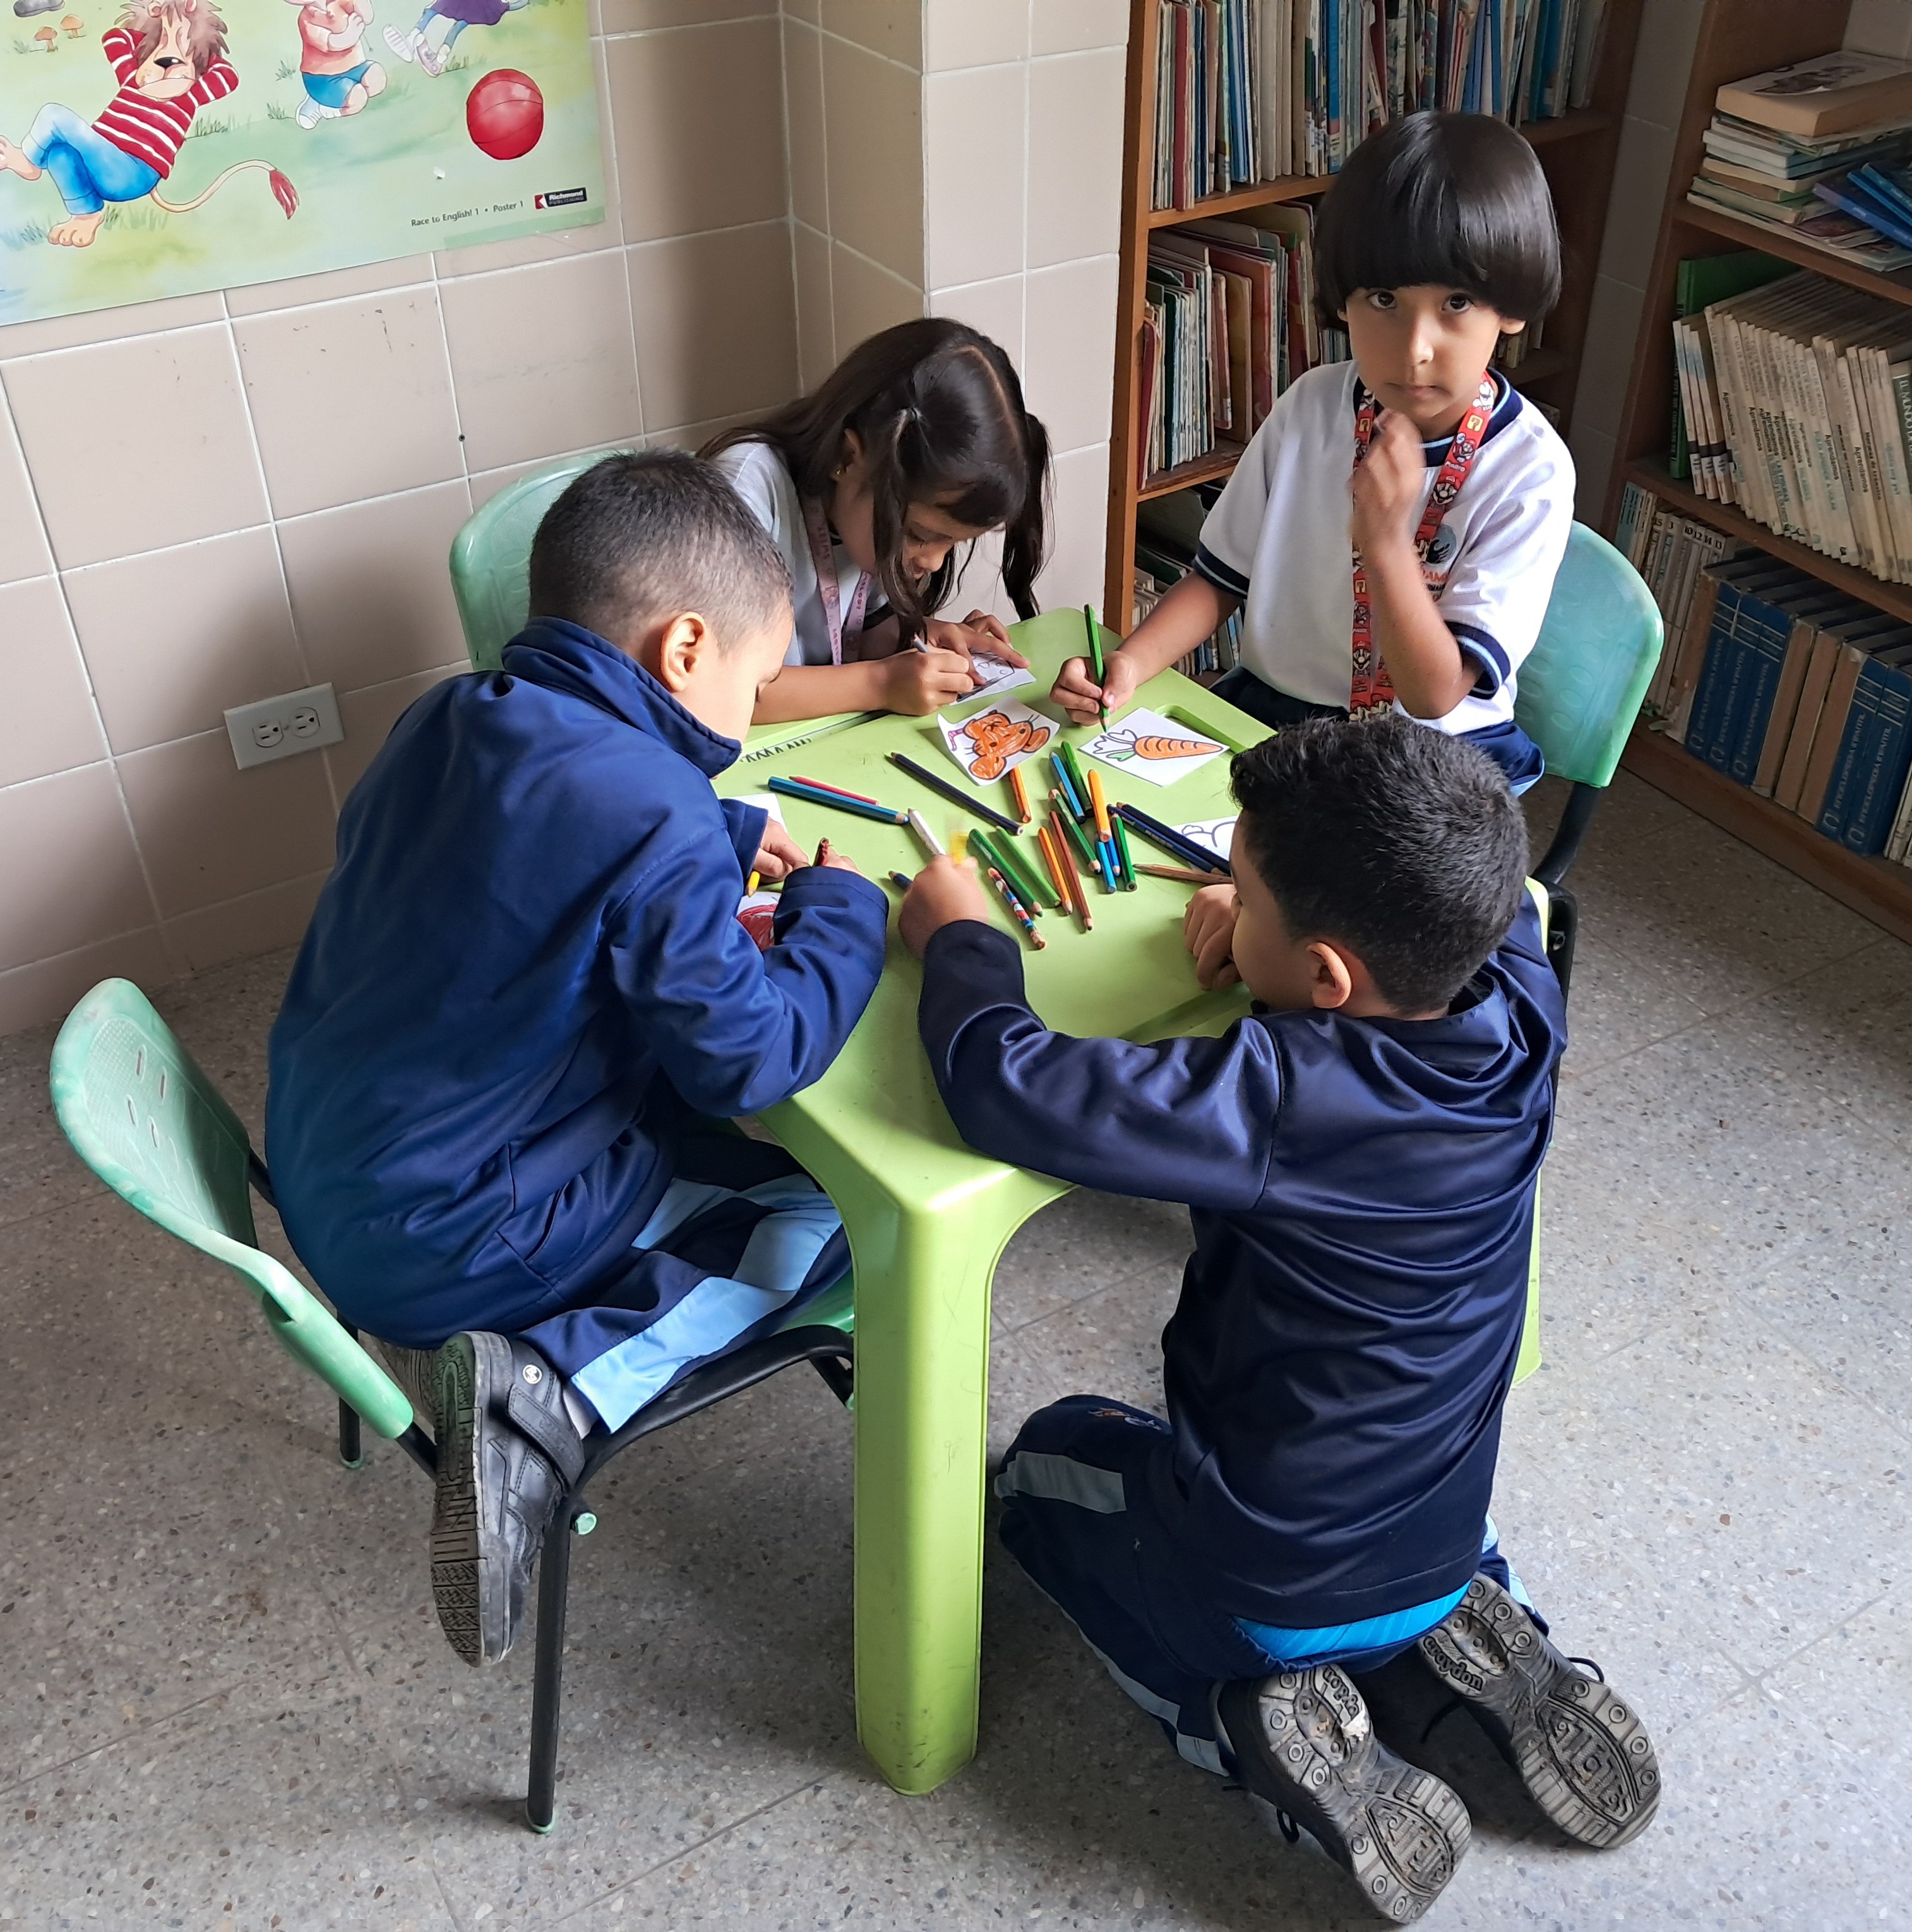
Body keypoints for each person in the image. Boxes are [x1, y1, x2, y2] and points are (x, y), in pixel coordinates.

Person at [897, 715, 1658, 1922]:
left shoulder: (1278, 1096)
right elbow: (1499, 900)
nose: (1223, 899)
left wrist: (961, 940)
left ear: (1327, 980)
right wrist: (1262, 930)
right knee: (1387, 1498)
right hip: (1442, 1530)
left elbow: (1005, 1087)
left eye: (1241, 892)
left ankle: (1233, 1721)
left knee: (1046, 1461)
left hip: (1262, 1578)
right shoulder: (1522, 1012)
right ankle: (1464, 1626)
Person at [266, 452, 892, 1669]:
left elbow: (530, 837)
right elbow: (748, 1063)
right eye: (758, 679)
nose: (755, 709)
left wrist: (723, 832)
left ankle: (552, 1346)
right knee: (844, 1221)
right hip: (451, 1244)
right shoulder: (653, 814)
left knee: (678, 1123)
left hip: (324, 1173)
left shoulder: (444, 716)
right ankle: (542, 1397)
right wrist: (842, 918)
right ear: (686, 648)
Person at [1053, 113, 1572, 792]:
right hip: (1277, 715)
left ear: (1511, 307)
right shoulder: (1312, 405)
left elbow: (1434, 695)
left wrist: (1384, 541)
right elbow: (1218, 579)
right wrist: (1129, 665)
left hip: (1431, 755)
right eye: (1383, 299)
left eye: (1455, 303)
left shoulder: (1529, 471)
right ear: (1342, 303)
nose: (1415, 348)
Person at [706, 317, 1053, 724]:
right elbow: (718, 690)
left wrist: (916, 639)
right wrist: (881, 683)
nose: (934, 562)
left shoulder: (860, 509)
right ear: (849, 457)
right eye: (920, 535)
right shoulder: (741, 493)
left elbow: (856, 634)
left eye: (953, 543)